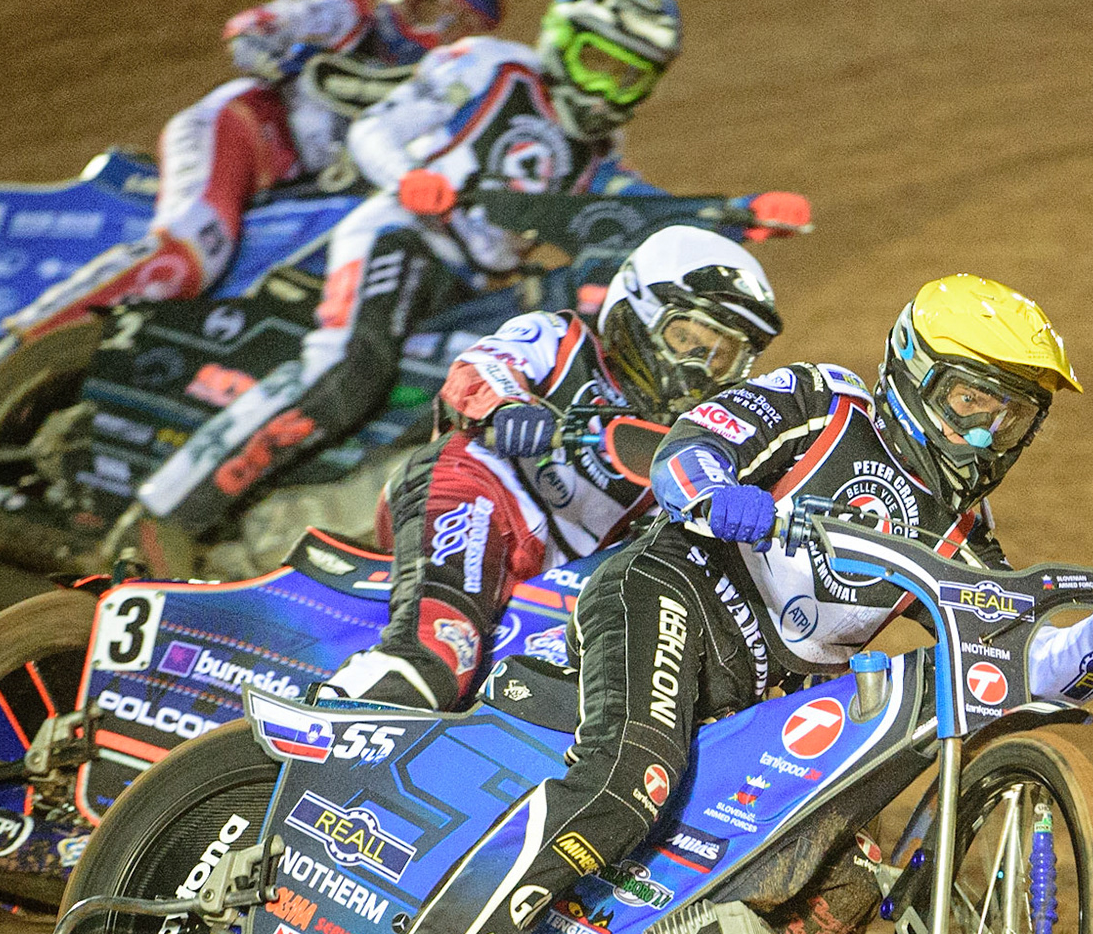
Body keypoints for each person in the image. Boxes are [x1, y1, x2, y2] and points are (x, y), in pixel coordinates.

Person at [321, 272, 1093, 934]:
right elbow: (691, 447)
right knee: (632, 779)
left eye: (1010, 417)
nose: (984, 432)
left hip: (758, 693)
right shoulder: (823, 402)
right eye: (971, 400)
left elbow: (1025, 673)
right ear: (914, 370)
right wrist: (716, 493)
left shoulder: (963, 534)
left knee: (849, 870)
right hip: (668, 589)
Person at [131, 0, 811, 536]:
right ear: (560, 39)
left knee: (469, 395)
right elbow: (376, 127)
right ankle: (165, 512)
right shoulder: (494, 67)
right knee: (345, 367)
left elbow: (624, 209)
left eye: (626, 76)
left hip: (474, 285)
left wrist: (735, 215)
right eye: (593, 61)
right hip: (402, 236)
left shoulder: (601, 151)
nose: (603, 88)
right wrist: (411, 180)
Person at [0, 0, 507, 372]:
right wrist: (267, 48)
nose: (435, 32)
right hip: (242, 132)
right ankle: (17, 346)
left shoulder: (433, 93)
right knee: (191, 251)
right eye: (429, 7)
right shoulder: (351, 15)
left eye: (458, 26)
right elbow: (259, 23)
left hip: (293, 192)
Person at [324, 223, 783, 710]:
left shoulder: (686, 450)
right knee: (438, 652)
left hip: (550, 581)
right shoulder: (559, 338)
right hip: (477, 494)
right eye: (686, 337)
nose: (698, 366)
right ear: (639, 307)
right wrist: (507, 407)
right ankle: (338, 716)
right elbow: (480, 367)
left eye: (720, 357)